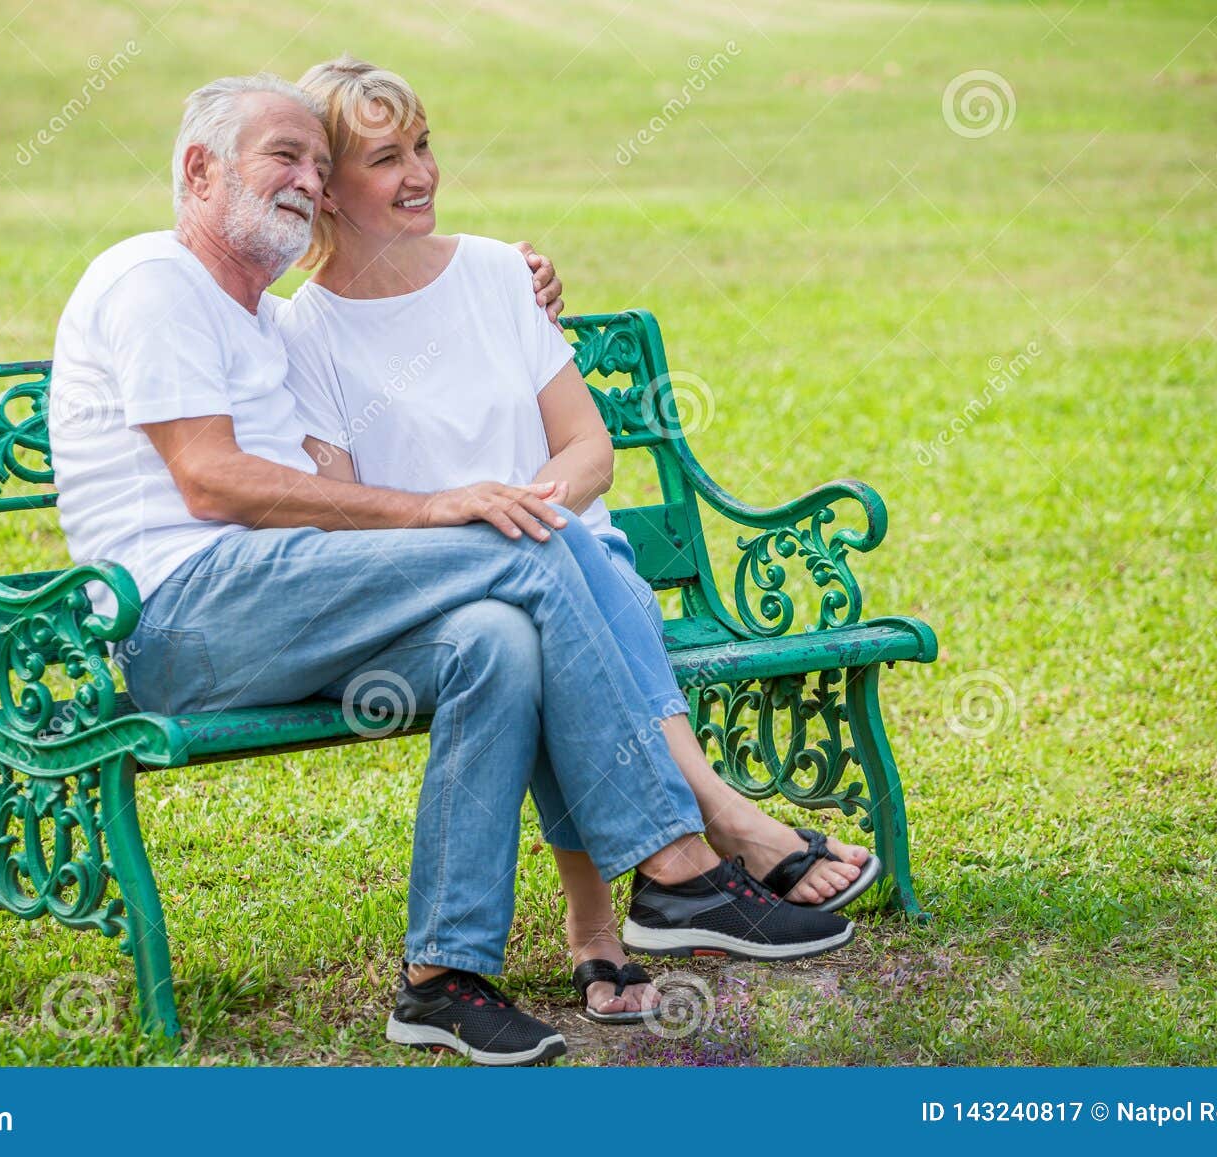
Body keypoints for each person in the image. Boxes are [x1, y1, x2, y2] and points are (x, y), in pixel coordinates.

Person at [47, 73, 854, 1066]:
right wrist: (436, 507)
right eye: (283, 160)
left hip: (279, 607)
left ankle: (441, 975)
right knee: (531, 537)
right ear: (197, 168)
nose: (303, 180)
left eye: (313, 161)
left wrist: (501, 281)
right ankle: (680, 858)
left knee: (496, 642)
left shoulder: (255, 313)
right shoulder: (152, 279)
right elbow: (210, 480)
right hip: (185, 614)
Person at [275, 56, 882, 1023]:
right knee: (560, 600)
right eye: (386, 158)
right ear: (328, 190)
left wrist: (534, 510)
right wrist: (484, 522)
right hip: (443, 582)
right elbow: (344, 505)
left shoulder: (493, 273)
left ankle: (619, 922)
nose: (420, 172)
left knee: (569, 587)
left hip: (563, 549)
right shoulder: (306, 332)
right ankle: (704, 837)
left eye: (424, 145)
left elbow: (588, 445)